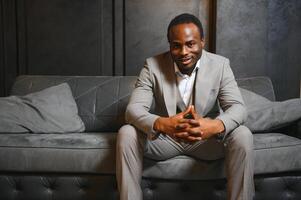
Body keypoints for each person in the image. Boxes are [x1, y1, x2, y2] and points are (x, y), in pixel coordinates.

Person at [116, 13, 254, 200]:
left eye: (190, 44)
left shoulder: (220, 65)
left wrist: (213, 126)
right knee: (126, 132)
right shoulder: (152, 66)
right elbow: (133, 111)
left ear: (202, 42)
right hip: (165, 140)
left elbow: (238, 108)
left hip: (206, 141)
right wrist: (163, 124)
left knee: (243, 134)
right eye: (176, 45)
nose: (183, 52)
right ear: (170, 44)